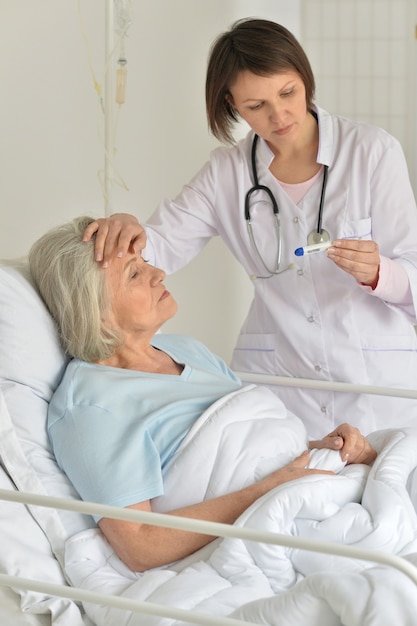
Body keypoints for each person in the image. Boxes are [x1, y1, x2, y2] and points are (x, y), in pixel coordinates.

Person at [83, 18, 417, 440]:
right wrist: (129, 228)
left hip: (377, 388)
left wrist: (378, 272)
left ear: (304, 77)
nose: (279, 116)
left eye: (287, 93)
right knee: (289, 491)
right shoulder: (227, 174)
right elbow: (160, 246)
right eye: (256, 106)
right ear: (231, 104)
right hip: (283, 391)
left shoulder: (372, 152)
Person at [28, 216, 376, 573]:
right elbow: (140, 546)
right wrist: (266, 493)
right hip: (272, 528)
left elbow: (258, 442)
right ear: (96, 311)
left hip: (314, 491)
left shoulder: (187, 349)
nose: (158, 274)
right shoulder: (90, 406)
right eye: (133, 273)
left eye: (145, 262)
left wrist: (332, 447)